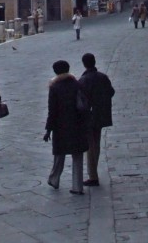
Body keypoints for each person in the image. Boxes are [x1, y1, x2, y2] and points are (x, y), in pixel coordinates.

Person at [44, 59, 88, 194]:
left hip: (60, 125)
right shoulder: (77, 83)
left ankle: (54, 179)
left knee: (59, 154)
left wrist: (48, 130)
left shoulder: (54, 87)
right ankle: (77, 186)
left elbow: (52, 111)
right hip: (78, 124)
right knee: (77, 156)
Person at [78, 52, 114, 187]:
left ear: (84, 64)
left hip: (89, 115)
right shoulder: (103, 77)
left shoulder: (83, 80)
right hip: (101, 113)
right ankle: (93, 173)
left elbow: (80, 99)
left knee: (90, 145)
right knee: (96, 143)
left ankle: (93, 176)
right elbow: (111, 92)